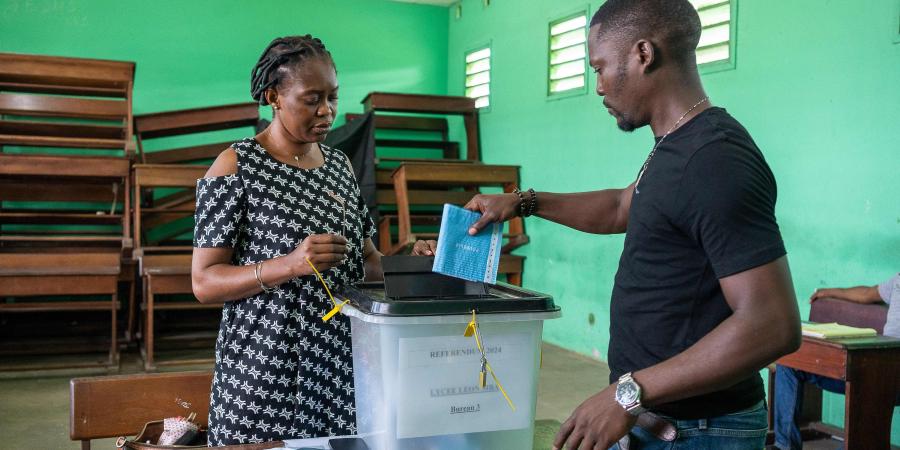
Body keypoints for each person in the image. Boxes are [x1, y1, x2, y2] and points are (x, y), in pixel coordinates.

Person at [416, 0, 800, 448]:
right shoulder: (675, 144)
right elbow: (623, 206)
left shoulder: (714, 160)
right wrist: (522, 202)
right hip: (658, 418)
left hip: (700, 430)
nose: (597, 86)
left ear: (643, 54)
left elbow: (773, 324)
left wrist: (626, 395)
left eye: (599, 68)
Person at [191, 35, 383, 445]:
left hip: (338, 369)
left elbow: (367, 260)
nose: (327, 111)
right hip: (263, 372)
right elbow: (204, 283)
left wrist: (416, 263)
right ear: (273, 96)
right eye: (312, 98)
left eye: (332, 96)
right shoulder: (236, 165)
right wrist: (289, 264)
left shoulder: (339, 165)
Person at [773, 274, 900, 450]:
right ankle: (785, 445)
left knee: (869, 382)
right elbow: (867, 293)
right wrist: (829, 292)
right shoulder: (898, 280)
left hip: (887, 376)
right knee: (790, 363)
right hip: (871, 367)